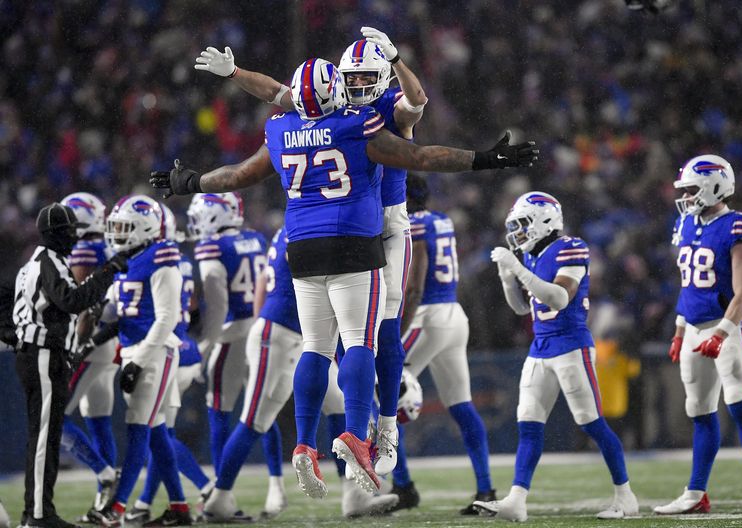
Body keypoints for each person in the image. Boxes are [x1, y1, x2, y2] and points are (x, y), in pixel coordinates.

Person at [151, 56, 537, 498]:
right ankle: (356, 433)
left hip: (302, 249)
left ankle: (303, 443)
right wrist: (486, 159)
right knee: (359, 342)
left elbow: (238, 175)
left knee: (315, 348)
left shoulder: (281, 128)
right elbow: (421, 157)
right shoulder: (355, 124)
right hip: (354, 242)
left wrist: (190, 182)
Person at [195, 27, 429, 475]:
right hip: (348, 232)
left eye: (366, 78)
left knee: (383, 327)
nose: (358, 86)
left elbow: (416, 101)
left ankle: (385, 428)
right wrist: (236, 72)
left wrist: (397, 58)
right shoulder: (331, 103)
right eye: (351, 78)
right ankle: (355, 428)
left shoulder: (384, 107)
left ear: (382, 77)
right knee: (344, 338)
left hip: (387, 225)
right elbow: (277, 93)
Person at [203, 224, 398, 519]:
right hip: (281, 334)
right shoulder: (316, 226)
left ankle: (354, 495)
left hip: (299, 338)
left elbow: (262, 283)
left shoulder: (293, 227)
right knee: (254, 420)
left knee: (340, 408)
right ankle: (219, 497)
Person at [474, 192, 639, 521]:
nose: (518, 232)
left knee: (591, 424)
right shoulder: (533, 256)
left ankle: (626, 497)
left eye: (522, 224)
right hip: (541, 346)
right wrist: (509, 278)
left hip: (571, 345)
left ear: (543, 221)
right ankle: (517, 500)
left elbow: (560, 298)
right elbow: (523, 307)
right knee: (529, 425)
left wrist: (517, 271)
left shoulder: (570, 247)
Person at [654, 155, 742, 514]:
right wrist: (680, 329)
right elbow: (688, 286)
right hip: (693, 326)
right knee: (699, 409)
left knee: (739, 404)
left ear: (715, 185)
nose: (687, 196)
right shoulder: (686, 224)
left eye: (693, 188)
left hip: (727, 324)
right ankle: (695, 493)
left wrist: (723, 332)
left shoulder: (739, 225)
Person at [13, 202, 126, 528]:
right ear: (56, 234)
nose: (73, 238)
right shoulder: (49, 262)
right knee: (45, 438)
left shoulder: (34, 262)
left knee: (45, 437)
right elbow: (73, 301)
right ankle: (37, 514)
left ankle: (37, 512)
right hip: (43, 354)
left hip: (38, 352)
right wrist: (108, 271)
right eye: (67, 232)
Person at [390, 174, 494, 514]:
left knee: (385, 394)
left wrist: (397, 332)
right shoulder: (441, 220)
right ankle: (486, 489)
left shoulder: (413, 224)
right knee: (461, 405)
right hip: (452, 314)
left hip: (427, 317)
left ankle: (403, 486)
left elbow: (415, 285)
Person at [89, 196, 190, 528]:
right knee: (156, 432)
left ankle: (116, 510)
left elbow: (166, 318)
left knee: (137, 428)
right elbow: (116, 313)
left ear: (145, 228)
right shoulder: (127, 259)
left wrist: (138, 361)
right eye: (115, 227)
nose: (117, 233)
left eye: (124, 227)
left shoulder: (161, 257)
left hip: (156, 351)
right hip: (134, 349)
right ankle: (179, 508)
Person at [124, 203, 214, 524]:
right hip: (185, 348)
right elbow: (191, 306)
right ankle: (146, 503)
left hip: (168, 351)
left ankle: (206, 488)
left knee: (158, 432)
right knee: (159, 431)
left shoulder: (154, 260)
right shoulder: (181, 260)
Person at [186, 192, 276, 480]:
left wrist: (204, 346)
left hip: (231, 334)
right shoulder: (255, 238)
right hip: (259, 329)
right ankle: (277, 484)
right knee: (261, 410)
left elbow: (218, 306)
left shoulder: (213, 246)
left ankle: (221, 487)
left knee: (219, 412)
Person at [56, 192, 119, 520]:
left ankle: (105, 474)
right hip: (107, 342)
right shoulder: (107, 247)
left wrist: (75, 346)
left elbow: (80, 304)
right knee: (99, 420)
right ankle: (106, 505)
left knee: (53, 415)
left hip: (91, 343)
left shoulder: (85, 249)